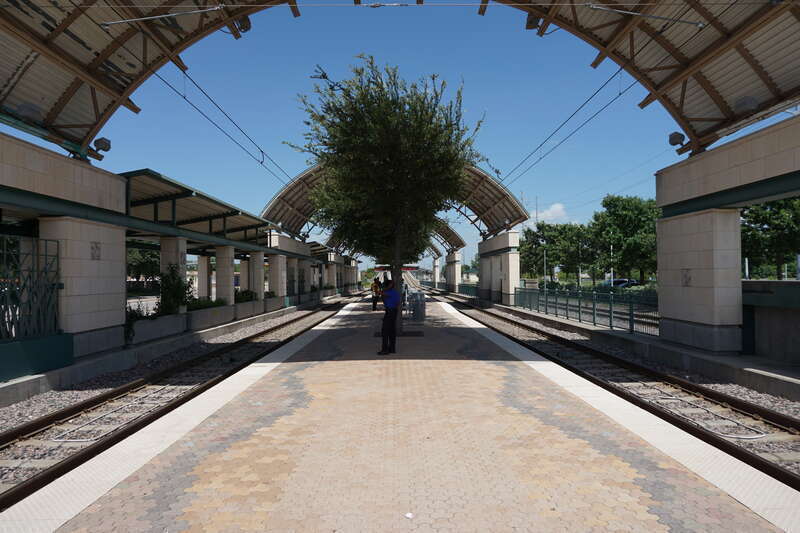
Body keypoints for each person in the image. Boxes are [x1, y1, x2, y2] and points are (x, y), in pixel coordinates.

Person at [378, 278, 400, 355]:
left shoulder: (389, 292)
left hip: (390, 312)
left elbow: (381, 292)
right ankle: (392, 349)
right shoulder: (395, 293)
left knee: (385, 331)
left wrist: (387, 287)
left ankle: (385, 350)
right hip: (394, 311)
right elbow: (397, 303)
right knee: (392, 331)